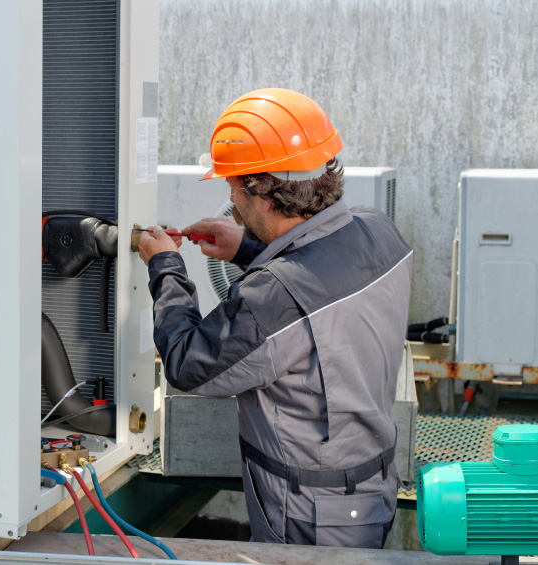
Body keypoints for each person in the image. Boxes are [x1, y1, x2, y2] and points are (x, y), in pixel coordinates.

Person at [138, 88, 412, 548]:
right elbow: (316, 289)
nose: (230, 196)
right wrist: (248, 248)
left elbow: (189, 365)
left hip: (312, 516)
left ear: (262, 189)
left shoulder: (273, 295)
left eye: (232, 185)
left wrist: (164, 264)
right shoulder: (378, 231)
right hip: (372, 489)